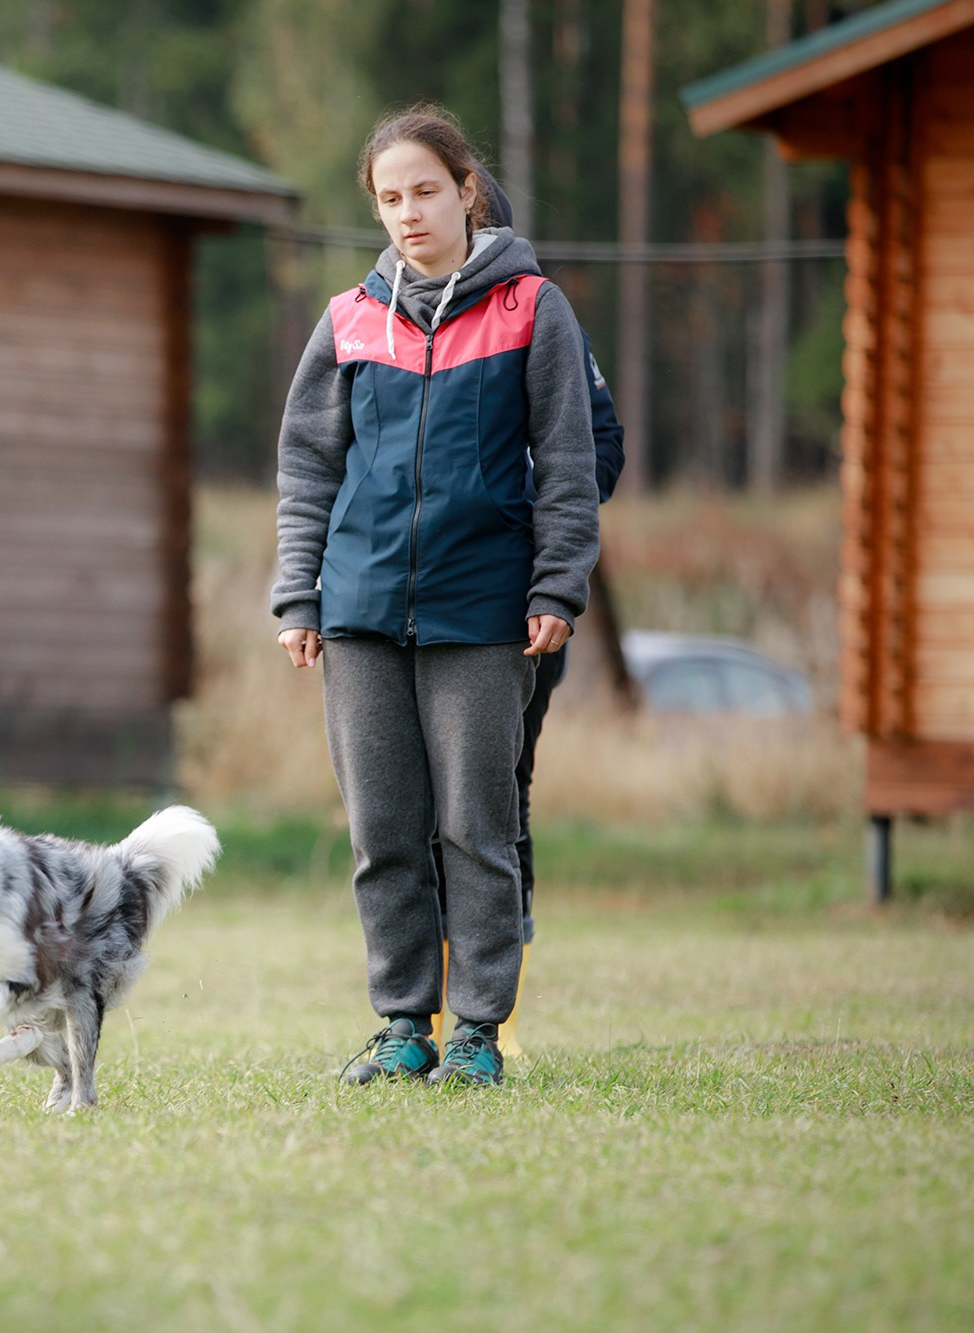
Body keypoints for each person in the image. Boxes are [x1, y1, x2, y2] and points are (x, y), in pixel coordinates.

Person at [271, 105, 600, 1087]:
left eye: (424, 190)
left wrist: (557, 583)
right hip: (359, 611)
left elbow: (569, 460)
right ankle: (403, 1023)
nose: (408, 212)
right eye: (388, 198)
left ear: (466, 191)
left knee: (475, 829)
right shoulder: (348, 318)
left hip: (485, 611)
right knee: (382, 833)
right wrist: (297, 595)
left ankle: (477, 1031)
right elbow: (307, 464)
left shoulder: (532, 308)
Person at [436, 165, 626, 956]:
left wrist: (518, 512)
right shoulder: (392, 318)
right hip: (415, 592)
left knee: (497, 783)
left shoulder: (544, 318)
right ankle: (421, 976)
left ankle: (496, 963)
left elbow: (600, 448)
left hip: (519, 596)